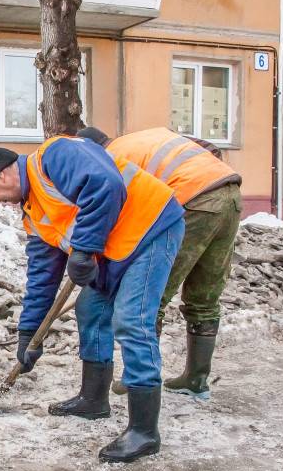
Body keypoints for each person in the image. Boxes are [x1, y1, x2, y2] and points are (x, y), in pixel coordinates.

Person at [0, 136, 185, 463]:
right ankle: (94, 399)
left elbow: (105, 184)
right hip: (116, 248)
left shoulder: (54, 156)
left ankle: (144, 431)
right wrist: (29, 333)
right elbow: (43, 277)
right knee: (90, 309)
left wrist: (84, 249)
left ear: (2, 175)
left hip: (151, 228)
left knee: (131, 319)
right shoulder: (33, 215)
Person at [78, 127, 241, 400]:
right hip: (229, 193)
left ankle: (136, 378)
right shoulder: (146, 137)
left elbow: (121, 214)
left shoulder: (112, 158)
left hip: (190, 202)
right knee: (205, 293)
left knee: (148, 297)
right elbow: (209, 149)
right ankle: (196, 379)